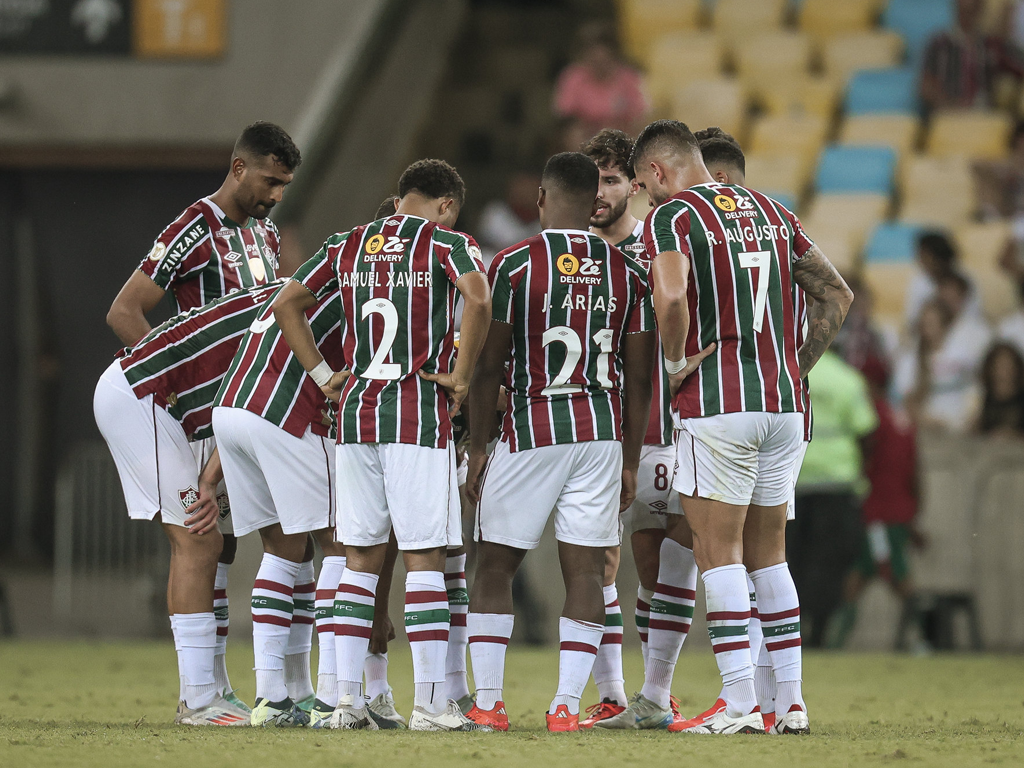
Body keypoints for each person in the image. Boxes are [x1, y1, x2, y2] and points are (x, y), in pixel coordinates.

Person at [630, 119, 853, 735]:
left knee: (718, 553)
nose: (648, 199)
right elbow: (836, 294)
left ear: (655, 172)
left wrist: (676, 364)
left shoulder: (672, 218)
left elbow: (671, 297)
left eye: (647, 187)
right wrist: (794, 365)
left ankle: (738, 705)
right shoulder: (774, 212)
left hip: (719, 404)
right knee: (769, 557)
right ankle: (790, 704)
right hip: (784, 406)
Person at [272, 159, 492, 732]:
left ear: (401, 199)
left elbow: (286, 305)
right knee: (423, 556)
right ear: (445, 204)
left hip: (355, 417)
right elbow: (480, 298)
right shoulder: (447, 241)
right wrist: (463, 377)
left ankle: (345, 703)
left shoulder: (346, 244)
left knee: (358, 560)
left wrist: (324, 376)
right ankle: (430, 704)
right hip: (416, 413)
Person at [104, 122, 302, 710]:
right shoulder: (193, 227)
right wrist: (177, 388)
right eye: (269, 180)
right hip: (191, 403)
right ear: (239, 167)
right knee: (200, 537)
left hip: (237, 406)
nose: (275, 195)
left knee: (226, 546)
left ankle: (218, 687)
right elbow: (124, 311)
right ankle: (202, 692)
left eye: (286, 185)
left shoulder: (267, 233)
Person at [461, 151, 657, 733]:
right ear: (594, 204)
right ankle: (567, 708)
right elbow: (642, 376)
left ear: (543, 200)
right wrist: (629, 458)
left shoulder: (514, 264)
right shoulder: (629, 272)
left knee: (494, 564)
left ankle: (490, 705)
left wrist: (477, 447)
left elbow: (488, 366)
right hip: (599, 434)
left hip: (532, 431)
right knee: (588, 573)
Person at [93, 281, 285, 726]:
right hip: (141, 398)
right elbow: (250, 406)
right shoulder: (299, 315)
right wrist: (208, 478)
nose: (276, 203)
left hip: (161, 404)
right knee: (199, 540)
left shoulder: (294, 294)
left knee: (207, 543)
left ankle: (205, 692)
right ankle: (198, 700)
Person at [575, 128, 665, 728]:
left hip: (669, 426)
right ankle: (614, 693)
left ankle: (658, 692)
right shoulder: (568, 255)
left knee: (668, 564)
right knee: (601, 561)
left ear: (633, 185)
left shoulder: (658, 249)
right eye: (591, 181)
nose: (599, 193)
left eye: (610, 180)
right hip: (600, 433)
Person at [787, 350, 878, 648]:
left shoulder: (790, 371)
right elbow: (867, 433)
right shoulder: (847, 380)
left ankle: (790, 631)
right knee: (828, 563)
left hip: (794, 483)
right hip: (837, 485)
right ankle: (821, 632)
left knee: (791, 561)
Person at [830, 357, 921, 649]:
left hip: (879, 511)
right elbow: (914, 470)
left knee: (893, 576)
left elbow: (865, 458)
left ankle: (925, 638)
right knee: (861, 576)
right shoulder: (899, 416)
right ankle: (834, 644)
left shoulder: (873, 416)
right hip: (898, 509)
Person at [553, 22, 648, 151]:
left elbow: (639, 115)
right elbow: (565, 118)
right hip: (585, 138)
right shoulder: (572, 78)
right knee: (574, 135)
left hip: (621, 138)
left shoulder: (629, 78)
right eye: (593, 59)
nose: (599, 63)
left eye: (604, 59)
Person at [920, 0, 1024, 112]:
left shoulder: (992, 45)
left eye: (974, 6)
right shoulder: (939, 44)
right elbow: (926, 86)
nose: (968, 10)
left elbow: (1018, 64)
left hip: (985, 115)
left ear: (980, 9)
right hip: (949, 116)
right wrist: (950, 105)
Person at [904, 232, 979, 330]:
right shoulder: (918, 282)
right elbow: (912, 321)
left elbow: (973, 317)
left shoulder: (966, 280)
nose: (921, 262)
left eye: (925, 257)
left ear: (939, 258)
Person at [977, 342, 1024, 437]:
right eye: (998, 366)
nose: (1003, 372)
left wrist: (1014, 435)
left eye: (1007, 366)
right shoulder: (985, 398)